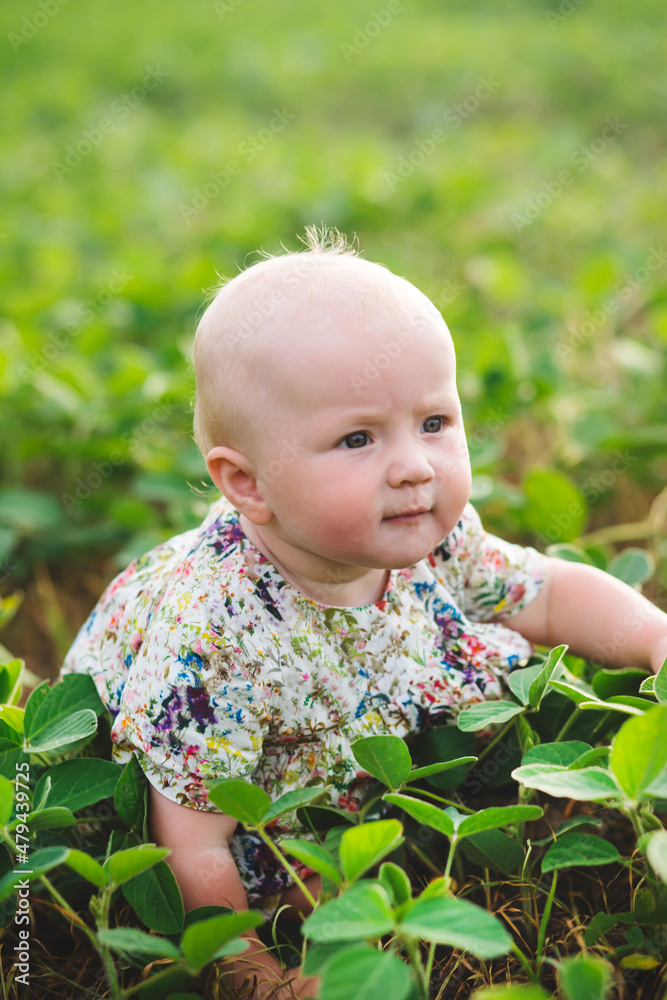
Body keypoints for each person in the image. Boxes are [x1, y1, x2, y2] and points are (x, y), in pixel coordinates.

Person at [61, 227, 667, 998]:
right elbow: (191, 833)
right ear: (246, 484)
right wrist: (242, 960)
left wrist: (652, 638)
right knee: (303, 893)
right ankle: (282, 909)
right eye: (356, 438)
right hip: (211, 803)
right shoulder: (211, 633)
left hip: (337, 746)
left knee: (448, 799)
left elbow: (543, 591)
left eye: (434, 423)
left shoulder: (426, 533)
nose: (414, 466)